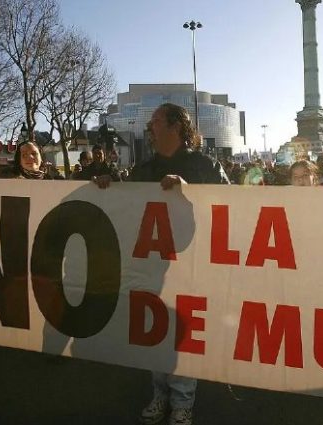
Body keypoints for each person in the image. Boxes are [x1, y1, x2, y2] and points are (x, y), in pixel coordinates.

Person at [96, 103, 228, 425]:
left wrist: (188, 189)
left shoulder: (205, 165)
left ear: (175, 126)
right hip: (153, 263)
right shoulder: (145, 168)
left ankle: (182, 401)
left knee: (181, 332)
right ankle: (160, 393)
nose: (150, 127)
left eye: (155, 121)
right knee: (155, 330)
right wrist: (107, 185)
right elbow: (127, 201)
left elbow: (229, 202)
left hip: (190, 262)